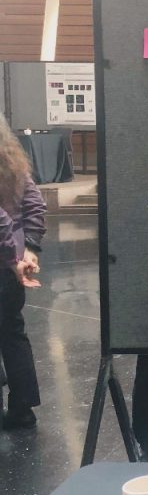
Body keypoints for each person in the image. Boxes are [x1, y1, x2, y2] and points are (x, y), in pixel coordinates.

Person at [0, 115, 46, 431]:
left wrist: (12, 257)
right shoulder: (13, 163)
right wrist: (28, 248)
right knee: (13, 334)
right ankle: (22, 409)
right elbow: (35, 205)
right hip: (11, 266)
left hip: (6, 263)